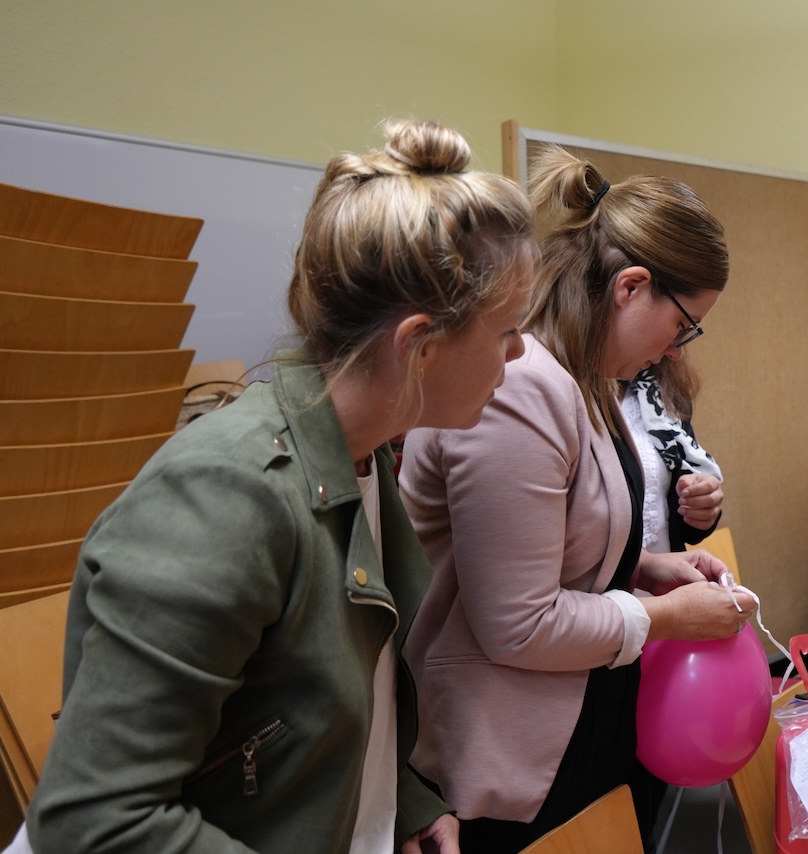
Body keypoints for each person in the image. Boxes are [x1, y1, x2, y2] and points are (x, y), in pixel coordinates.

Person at [18, 118, 537, 854]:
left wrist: (402, 804)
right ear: (419, 345)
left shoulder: (364, 460)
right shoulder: (224, 498)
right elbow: (96, 822)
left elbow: (304, 713)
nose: (518, 355)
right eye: (507, 330)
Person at [398, 144, 756, 853]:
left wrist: (645, 566)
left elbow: (551, 543)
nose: (678, 350)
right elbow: (519, 624)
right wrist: (666, 616)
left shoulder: (584, 380)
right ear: (630, 287)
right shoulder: (522, 389)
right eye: (682, 325)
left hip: (579, 717)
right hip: (510, 754)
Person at [619, 356, 724, 554]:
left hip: (668, 566)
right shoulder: (571, 393)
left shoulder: (659, 385)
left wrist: (701, 506)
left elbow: (681, 527)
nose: (678, 352)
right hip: (604, 574)